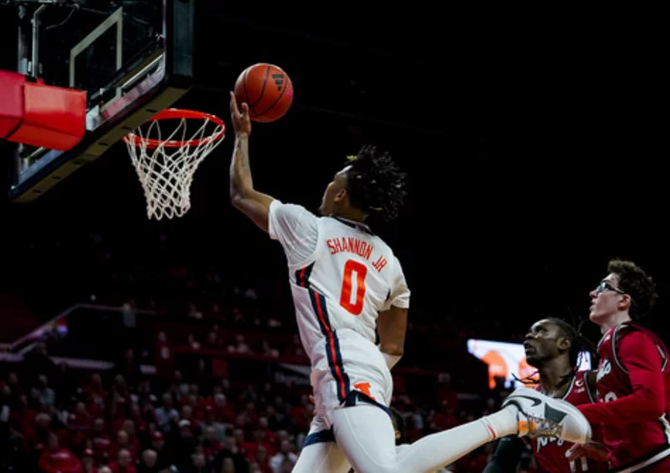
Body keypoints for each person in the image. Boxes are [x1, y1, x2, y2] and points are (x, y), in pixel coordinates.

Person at [228, 92, 592, 473]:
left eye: (331, 181)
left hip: (344, 366)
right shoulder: (388, 258)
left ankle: (514, 416)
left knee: (388, 471)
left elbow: (241, 193)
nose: (326, 186)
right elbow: (394, 344)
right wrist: (359, 371)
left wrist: (243, 135)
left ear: (339, 194)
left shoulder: (308, 230)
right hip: (357, 371)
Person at [565, 259, 670, 472]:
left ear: (623, 301)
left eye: (603, 287)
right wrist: (605, 451)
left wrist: (583, 412)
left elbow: (651, 403)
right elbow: (629, 422)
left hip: (658, 460)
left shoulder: (634, 339)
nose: (592, 293)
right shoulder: (608, 350)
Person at [483, 317, 607, 473]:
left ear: (564, 343)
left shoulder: (593, 382)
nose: (528, 336)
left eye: (540, 331)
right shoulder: (526, 405)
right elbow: (501, 461)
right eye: (529, 332)